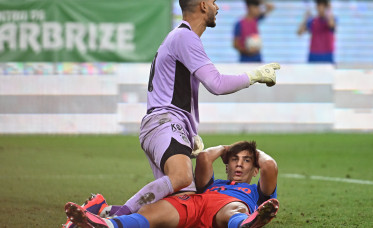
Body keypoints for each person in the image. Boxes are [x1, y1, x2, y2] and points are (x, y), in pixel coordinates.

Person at [63, 1, 280, 225]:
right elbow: (216, 84)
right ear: (203, 5)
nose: (217, 6)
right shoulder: (185, 38)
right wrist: (255, 75)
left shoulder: (180, 38)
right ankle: (112, 218)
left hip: (164, 124)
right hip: (165, 121)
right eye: (214, 2)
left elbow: (178, 91)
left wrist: (190, 133)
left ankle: (104, 210)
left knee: (180, 203)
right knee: (182, 177)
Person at [65, 140, 279, 228]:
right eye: (235, 159)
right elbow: (204, 157)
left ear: (255, 169)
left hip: (227, 209)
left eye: (247, 160)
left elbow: (270, 166)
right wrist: (227, 148)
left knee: (235, 209)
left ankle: (246, 223)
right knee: (151, 210)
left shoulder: (257, 192)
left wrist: (252, 149)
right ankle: (107, 225)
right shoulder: (212, 184)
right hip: (196, 203)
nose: (239, 164)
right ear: (227, 164)